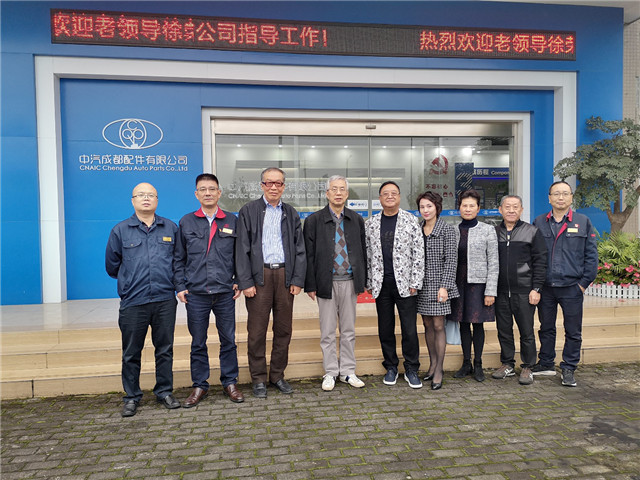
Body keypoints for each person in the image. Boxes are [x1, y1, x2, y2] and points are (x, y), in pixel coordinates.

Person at [105, 183, 181, 417]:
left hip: (164, 299)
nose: (146, 198)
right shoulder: (120, 230)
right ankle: (131, 396)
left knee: (164, 349)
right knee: (131, 352)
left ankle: (164, 391)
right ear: (133, 200)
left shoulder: (170, 227)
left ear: (157, 200)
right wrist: (130, 281)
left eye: (150, 195)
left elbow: (178, 261)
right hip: (133, 301)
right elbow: (112, 265)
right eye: (141, 195)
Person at [174, 173, 244, 407]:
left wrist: (238, 280)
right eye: (202, 189)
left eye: (212, 189)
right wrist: (180, 286)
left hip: (224, 292)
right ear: (196, 194)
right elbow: (178, 258)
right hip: (196, 294)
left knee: (228, 340)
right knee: (198, 342)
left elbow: (239, 255)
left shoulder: (231, 220)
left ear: (219, 193)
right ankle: (200, 385)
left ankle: (230, 382)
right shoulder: (186, 222)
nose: (208, 193)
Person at [235, 167, 306, 398]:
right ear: (262, 185)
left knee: (283, 330)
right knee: (257, 331)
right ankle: (258, 378)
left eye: (278, 183)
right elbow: (241, 249)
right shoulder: (249, 211)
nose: (273, 187)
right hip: (260, 277)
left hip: (285, 276)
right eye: (269, 183)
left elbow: (300, 249)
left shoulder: (291, 213)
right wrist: (246, 281)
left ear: (284, 186)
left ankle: (277, 375)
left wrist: (297, 279)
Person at [304, 175, 367, 391]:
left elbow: (363, 251)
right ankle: (330, 371)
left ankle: (348, 371)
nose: (338, 193)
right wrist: (310, 284)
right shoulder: (314, 220)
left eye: (342, 189)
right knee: (328, 331)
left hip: (349, 281)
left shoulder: (356, 219)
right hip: (326, 282)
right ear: (327, 193)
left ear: (347, 194)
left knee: (348, 330)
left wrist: (363, 279)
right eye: (334, 189)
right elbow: (308, 255)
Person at [532, 181, 598, 387]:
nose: (560, 198)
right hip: (546, 287)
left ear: (571, 197)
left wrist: (583, 284)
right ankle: (546, 363)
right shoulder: (539, 222)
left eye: (565, 194)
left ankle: (569, 367)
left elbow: (591, 256)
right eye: (556, 194)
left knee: (573, 330)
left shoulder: (583, 221)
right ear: (549, 198)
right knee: (546, 327)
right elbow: (533, 255)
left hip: (572, 287)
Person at [365, 181, 425, 389]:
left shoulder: (411, 221)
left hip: (406, 285)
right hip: (381, 284)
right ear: (380, 198)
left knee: (409, 329)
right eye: (385, 193)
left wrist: (415, 281)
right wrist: (369, 281)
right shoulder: (371, 223)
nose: (389, 196)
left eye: (393, 193)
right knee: (385, 328)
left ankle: (411, 368)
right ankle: (391, 366)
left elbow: (418, 253)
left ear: (399, 197)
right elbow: (367, 254)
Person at [492, 195, 547, 385]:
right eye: (507, 207)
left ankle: (528, 366)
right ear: (500, 209)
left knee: (526, 331)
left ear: (521, 210)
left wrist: (536, 288)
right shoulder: (494, 232)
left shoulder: (532, 231)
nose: (511, 210)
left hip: (524, 290)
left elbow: (540, 261)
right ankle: (507, 363)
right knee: (503, 330)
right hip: (500, 291)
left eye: (515, 207)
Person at [449, 189, 499, 382]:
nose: (468, 209)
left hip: (479, 285)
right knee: (462, 323)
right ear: (459, 208)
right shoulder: (452, 230)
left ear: (478, 209)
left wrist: (490, 291)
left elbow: (493, 262)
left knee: (477, 324)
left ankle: (478, 364)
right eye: (464, 205)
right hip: (458, 283)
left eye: (472, 206)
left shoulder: (487, 230)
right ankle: (466, 363)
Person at [415, 191, 459, 390]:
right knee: (427, 324)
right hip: (421, 285)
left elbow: (451, 260)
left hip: (439, 285)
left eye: (429, 206)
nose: (425, 210)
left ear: (437, 207)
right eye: (422, 207)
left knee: (439, 325)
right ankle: (432, 364)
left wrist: (445, 286)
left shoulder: (447, 230)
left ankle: (439, 369)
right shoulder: (417, 228)